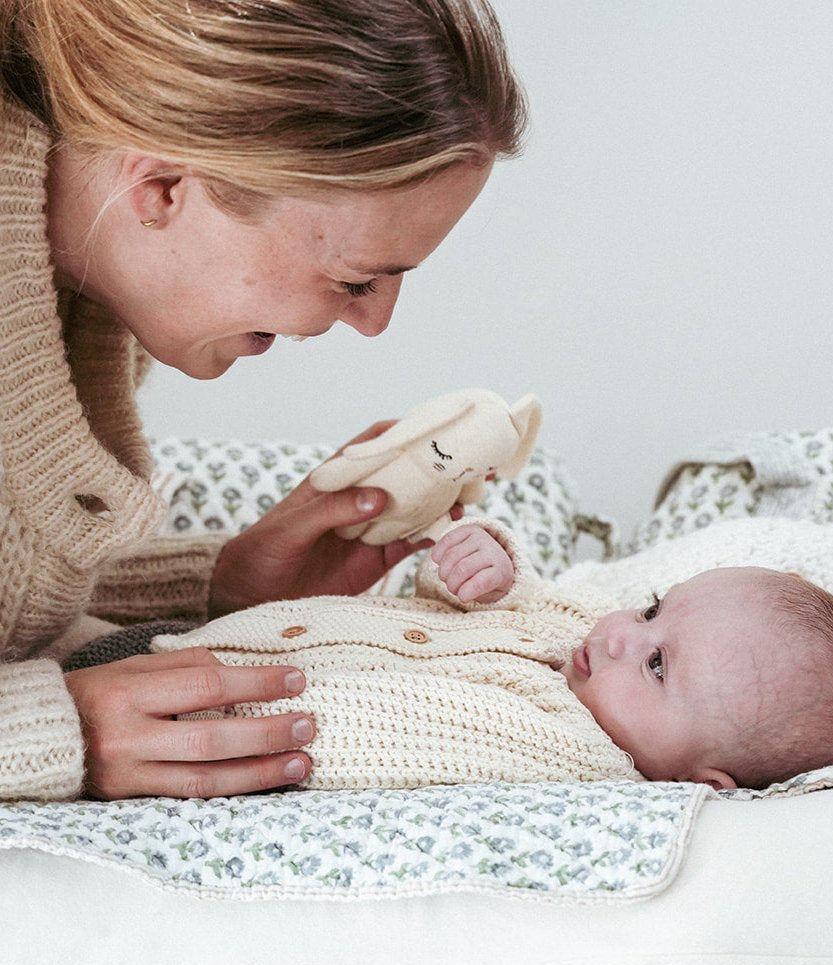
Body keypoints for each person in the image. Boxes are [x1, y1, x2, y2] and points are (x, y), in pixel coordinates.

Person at [0, 0, 527, 801]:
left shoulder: (86, 285)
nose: (373, 321)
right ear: (166, 188)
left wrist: (221, 586)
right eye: (356, 277)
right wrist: (54, 730)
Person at [132, 520, 833, 792]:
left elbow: (383, 730)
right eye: (651, 607)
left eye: (658, 664)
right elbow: (509, 596)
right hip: (213, 631)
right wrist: (481, 565)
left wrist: (234, 710)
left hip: (185, 696)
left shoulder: (567, 750)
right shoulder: (582, 639)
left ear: (700, 777)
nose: (619, 633)